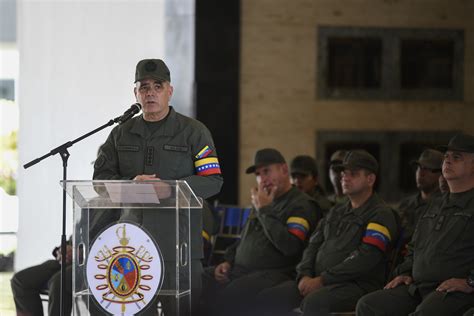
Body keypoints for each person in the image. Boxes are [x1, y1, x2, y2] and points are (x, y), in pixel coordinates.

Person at [93, 58, 223, 314]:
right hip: (132, 247)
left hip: (179, 246)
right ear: (135, 93)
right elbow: (100, 183)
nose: (150, 92)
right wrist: (130, 185)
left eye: (158, 86)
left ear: (169, 91)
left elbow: (212, 181)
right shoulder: (121, 133)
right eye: (144, 87)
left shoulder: (193, 132)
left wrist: (172, 189)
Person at [253, 150, 399, 316]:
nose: (344, 177)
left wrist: (324, 279)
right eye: (343, 172)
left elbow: (366, 257)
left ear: (370, 179)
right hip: (318, 279)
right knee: (270, 297)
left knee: (314, 302)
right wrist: (304, 275)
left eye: (353, 174)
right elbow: (313, 245)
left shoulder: (381, 213)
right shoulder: (336, 210)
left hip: (356, 284)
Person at [356, 133, 474, 316]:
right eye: (446, 157)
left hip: (453, 291)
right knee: (369, 305)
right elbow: (415, 246)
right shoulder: (435, 204)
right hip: (418, 287)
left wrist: (470, 282)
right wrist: (404, 272)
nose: (448, 161)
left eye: (456, 157)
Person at [200, 148, 321, 316]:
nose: (262, 179)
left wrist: (264, 210)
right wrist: (227, 261)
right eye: (258, 174)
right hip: (240, 269)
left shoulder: (300, 204)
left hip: (275, 272)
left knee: (231, 294)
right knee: (195, 279)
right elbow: (244, 240)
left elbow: (291, 247)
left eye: (267, 171)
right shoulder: (263, 200)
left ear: (284, 170)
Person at [10, 242, 72, 316]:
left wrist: (80, 251)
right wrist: (61, 250)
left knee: (59, 281)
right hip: (63, 262)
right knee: (20, 280)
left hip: (85, 262)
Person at [397, 149, 443, 243]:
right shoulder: (406, 205)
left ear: (441, 174)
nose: (421, 173)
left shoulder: (445, 206)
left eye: (427, 169)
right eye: (419, 167)